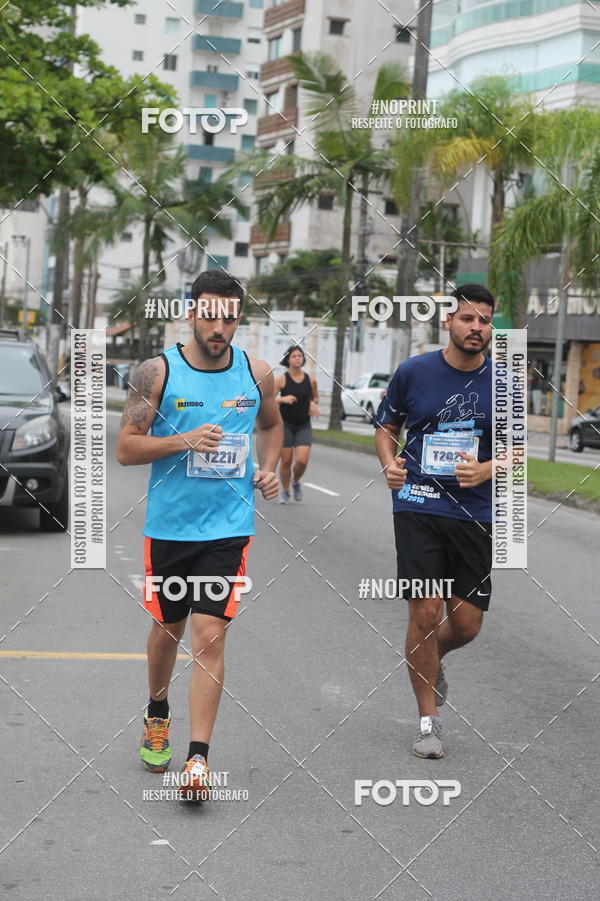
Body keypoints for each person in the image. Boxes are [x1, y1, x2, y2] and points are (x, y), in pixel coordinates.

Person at [116, 270, 282, 799]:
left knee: (209, 636)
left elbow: (272, 426)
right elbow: (125, 448)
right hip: (168, 527)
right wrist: (183, 439)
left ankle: (197, 761)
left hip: (227, 530)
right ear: (191, 313)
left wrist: (270, 468)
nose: (220, 325)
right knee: (169, 628)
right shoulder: (156, 373)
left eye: (230, 316)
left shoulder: (257, 374)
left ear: (238, 318)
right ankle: (157, 710)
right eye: (209, 314)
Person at [374, 284, 495, 759]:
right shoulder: (414, 372)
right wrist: (389, 463)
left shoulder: (502, 383)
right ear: (449, 321)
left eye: (484, 321)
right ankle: (429, 721)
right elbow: (387, 429)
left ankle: (431, 657)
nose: (476, 328)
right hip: (418, 502)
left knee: (466, 625)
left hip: (476, 512)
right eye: (468, 319)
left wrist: (488, 467)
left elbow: (520, 452)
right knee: (424, 612)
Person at [275, 345, 319, 503]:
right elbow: (269, 401)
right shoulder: (281, 379)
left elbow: (315, 398)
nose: (297, 358)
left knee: (301, 460)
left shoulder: (310, 379)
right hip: (285, 424)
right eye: (294, 356)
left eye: (300, 356)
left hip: (303, 425)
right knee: (286, 460)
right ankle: (285, 491)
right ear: (288, 359)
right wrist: (282, 399)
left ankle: (295, 481)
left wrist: (313, 403)